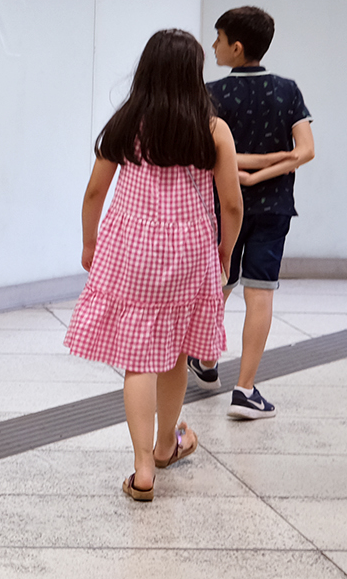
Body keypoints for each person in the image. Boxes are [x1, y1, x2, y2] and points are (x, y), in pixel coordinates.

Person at [65, 28, 244, 502]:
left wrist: (89, 243)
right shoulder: (212, 130)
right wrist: (225, 250)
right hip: (189, 249)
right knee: (177, 349)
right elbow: (231, 204)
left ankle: (143, 469)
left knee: (139, 357)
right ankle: (167, 445)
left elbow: (94, 192)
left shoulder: (127, 123)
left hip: (133, 248)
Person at [192, 6, 314, 420]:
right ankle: (245, 389)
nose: (214, 46)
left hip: (223, 206)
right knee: (260, 292)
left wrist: (242, 172)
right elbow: (305, 151)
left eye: (219, 39)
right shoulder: (288, 90)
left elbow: (208, 152)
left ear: (237, 47)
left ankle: (207, 361)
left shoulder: (212, 94)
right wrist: (271, 164)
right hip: (274, 206)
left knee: (219, 282)